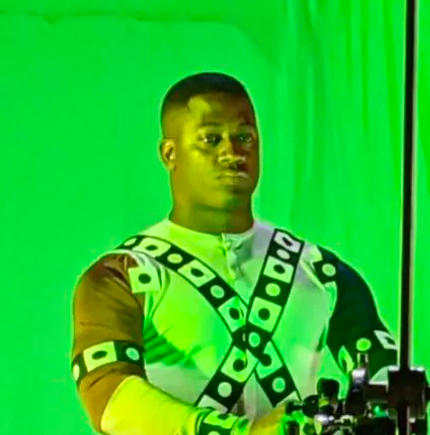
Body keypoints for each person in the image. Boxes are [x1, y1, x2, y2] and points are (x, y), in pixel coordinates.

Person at [70, 72, 397, 435]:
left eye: (245, 138)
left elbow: (387, 376)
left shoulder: (321, 271)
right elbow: (111, 399)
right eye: (211, 139)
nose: (232, 153)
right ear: (169, 153)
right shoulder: (123, 275)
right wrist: (243, 433)